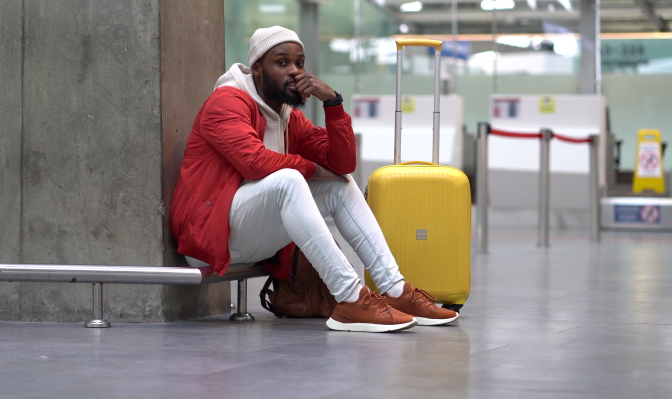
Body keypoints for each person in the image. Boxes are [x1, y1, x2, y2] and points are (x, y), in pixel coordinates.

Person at [171, 26, 458, 333]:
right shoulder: (226, 102)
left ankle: (396, 290)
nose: (294, 71)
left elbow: (341, 163)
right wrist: (309, 169)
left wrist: (333, 102)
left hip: (253, 235)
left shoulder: (288, 117)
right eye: (282, 63)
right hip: (211, 234)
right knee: (290, 179)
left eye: (300, 63)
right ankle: (349, 299)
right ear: (257, 68)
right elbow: (254, 163)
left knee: (338, 185)